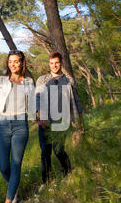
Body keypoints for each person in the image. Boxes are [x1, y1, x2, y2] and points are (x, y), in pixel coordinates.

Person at [0, 50, 34, 203]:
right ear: (8, 63)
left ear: (22, 63)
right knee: (4, 166)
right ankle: (14, 189)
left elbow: (34, 104)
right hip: (3, 124)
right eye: (11, 61)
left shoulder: (28, 82)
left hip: (21, 124)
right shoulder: (1, 81)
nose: (13, 64)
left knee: (16, 164)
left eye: (17, 61)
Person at [35, 52, 84, 185]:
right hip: (45, 121)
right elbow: (37, 99)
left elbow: (77, 102)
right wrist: (41, 118)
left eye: (56, 63)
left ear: (61, 63)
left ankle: (69, 172)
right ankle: (46, 182)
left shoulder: (69, 81)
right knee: (45, 152)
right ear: (49, 63)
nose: (54, 65)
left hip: (61, 121)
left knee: (59, 150)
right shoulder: (42, 80)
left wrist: (80, 121)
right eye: (51, 63)